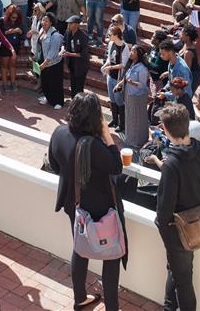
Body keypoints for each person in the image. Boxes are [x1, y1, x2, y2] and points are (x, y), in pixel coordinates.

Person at [148, 103, 200, 311]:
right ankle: (169, 307)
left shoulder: (171, 164)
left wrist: (165, 232)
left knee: (183, 280)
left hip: (180, 231)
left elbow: (164, 212)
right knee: (177, 270)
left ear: (166, 131)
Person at [47, 92, 126, 310]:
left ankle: (80, 298)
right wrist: (108, 136)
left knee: (79, 248)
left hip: (73, 203)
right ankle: (112, 307)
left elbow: (54, 164)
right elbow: (116, 166)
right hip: (100, 209)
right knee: (111, 256)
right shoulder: (92, 145)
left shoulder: (59, 133)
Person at [36, 12, 66, 109]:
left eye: (46, 21)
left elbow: (52, 52)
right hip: (43, 61)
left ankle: (59, 102)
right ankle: (48, 98)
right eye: (43, 20)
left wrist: (44, 64)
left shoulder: (55, 35)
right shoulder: (42, 31)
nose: (43, 23)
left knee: (55, 82)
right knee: (45, 81)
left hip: (53, 63)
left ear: (51, 23)